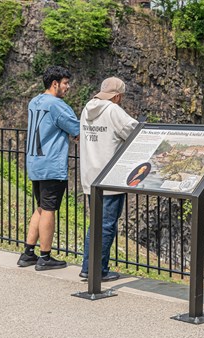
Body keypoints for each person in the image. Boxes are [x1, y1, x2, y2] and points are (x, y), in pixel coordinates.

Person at [18, 66, 80, 270]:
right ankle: (45, 256)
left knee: (42, 207)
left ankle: (28, 253)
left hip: (34, 162)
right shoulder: (57, 105)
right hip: (52, 164)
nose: (67, 87)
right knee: (49, 209)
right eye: (65, 83)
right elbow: (77, 130)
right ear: (55, 84)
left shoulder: (34, 101)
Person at [79, 77, 139, 282]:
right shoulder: (113, 110)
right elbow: (134, 130)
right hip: (110, 177)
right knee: (107, 225)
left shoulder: (87, 108)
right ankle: (97, 270)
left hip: (90, 176)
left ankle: (89, 265)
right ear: (117, 95)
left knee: (96, 223)